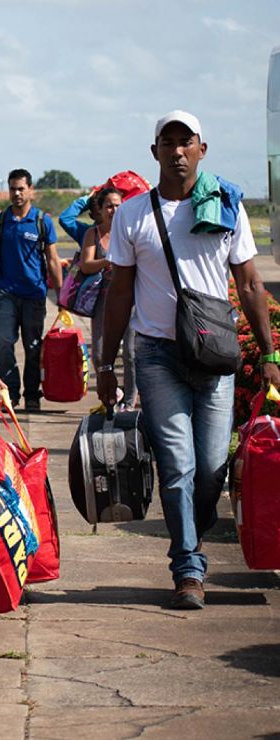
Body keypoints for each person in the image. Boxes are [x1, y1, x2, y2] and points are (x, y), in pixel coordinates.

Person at [97, 110, 280, 609]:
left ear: (202, 149)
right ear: (154, 151)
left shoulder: (226, 205)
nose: (177, 151)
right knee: (177, 466)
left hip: (215, 355)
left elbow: (249, 283)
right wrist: (106, 364)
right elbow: (120, 293)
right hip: (158, 355)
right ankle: (188, 568)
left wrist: (269, 352)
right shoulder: (133, 214)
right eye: (168, 142)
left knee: (211, 469)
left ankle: (190, 535)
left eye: (186, 141)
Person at [0, 168, 63, 411]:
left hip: (34, 294)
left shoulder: (42, 221)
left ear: (31, 191)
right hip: (6, 293)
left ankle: (32, 395)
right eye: (13, 189)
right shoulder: (0, 221)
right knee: (3, 342)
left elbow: (53, 260)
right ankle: (10, 393)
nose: (16, 193)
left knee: (32, 347)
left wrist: (62, 294)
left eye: (21, 189)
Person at [79, 186, 136, 410]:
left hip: (130, 298)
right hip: (102, 300)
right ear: (100, 210)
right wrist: (108, 261)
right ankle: (112, 394)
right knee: (100, 354)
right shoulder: (93, 234)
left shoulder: (131, 232)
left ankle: (129, 401)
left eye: (118, 206)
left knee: (131, 353)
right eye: (109, 206)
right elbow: (86, 265)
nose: (114, 210)